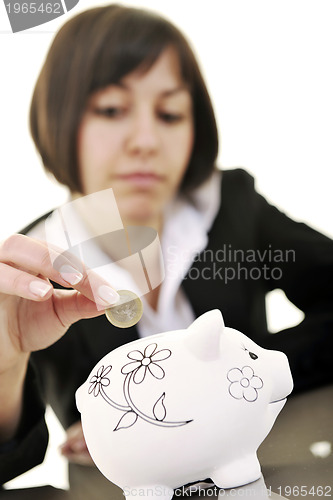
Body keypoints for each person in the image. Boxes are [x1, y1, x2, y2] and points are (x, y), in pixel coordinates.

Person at [0, 4, 332, 497]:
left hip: (260, 473)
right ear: (61, 121)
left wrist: (249, 382)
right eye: (111, 110)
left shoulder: (232, 208)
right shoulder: (28, 270)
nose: (147, 141)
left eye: (171, 113)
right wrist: (5, 367)